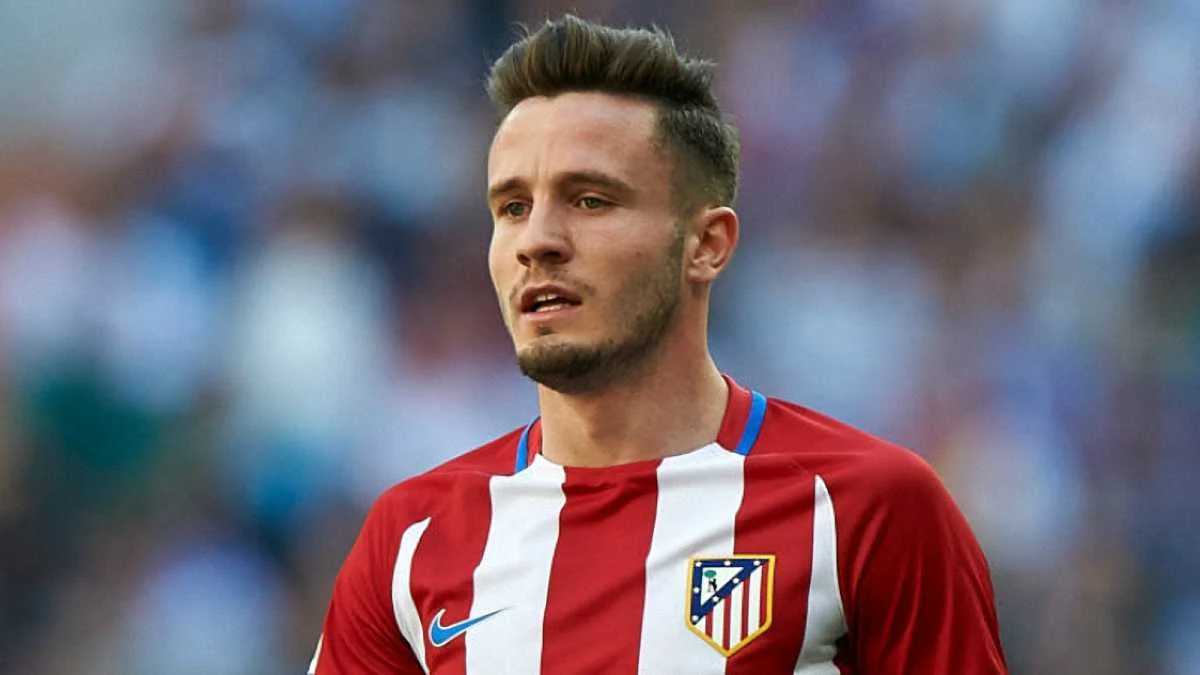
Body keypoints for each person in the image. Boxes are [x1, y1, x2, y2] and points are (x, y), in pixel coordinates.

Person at [309, 14, 1008, 675]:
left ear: (706, 245)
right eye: (512, 207)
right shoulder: (413, 537)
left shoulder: (867, 507)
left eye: (591, 200)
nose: (537, 241)